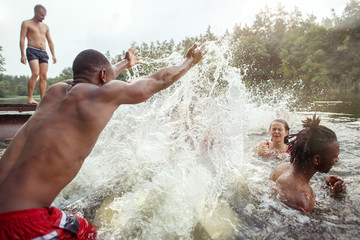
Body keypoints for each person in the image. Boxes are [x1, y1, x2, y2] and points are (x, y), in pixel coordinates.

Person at [0, 43, 207, 239]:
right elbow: (157, 80)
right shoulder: (99, 96)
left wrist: (125, 64)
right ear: (103, 76)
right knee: (91, 235)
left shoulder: (53, 92)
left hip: (8, 208)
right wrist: (189, 62)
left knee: (85, 228)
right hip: (21, 223)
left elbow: (100, 75)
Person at [270, 115, 346, 213]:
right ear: (317, 160)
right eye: (335, 156)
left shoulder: (282, 168)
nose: (337, 160)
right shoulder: (303, 201)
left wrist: (325, 187)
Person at [20, 4, 56, 104]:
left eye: (44, 15)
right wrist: (23, 54)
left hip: (43, 52)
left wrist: (53, 55)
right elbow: (22, 39)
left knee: (43, 76)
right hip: (32, 50)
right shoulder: (26, 23)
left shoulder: (45, 27)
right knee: (35, 74)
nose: (43, 17)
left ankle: (43, 99)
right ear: (35, 12)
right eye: (41, 15)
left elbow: (49, 41)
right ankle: (30, 98)